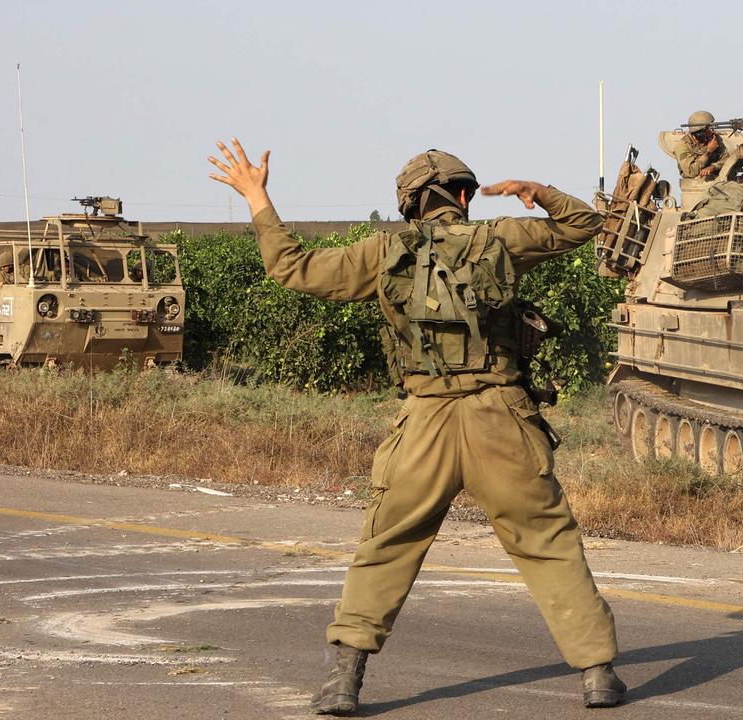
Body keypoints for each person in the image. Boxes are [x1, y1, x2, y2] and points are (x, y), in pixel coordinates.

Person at [207, 139, 625, 715]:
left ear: (408, 206)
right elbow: (585, 224)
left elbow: (292, 268)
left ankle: (344, 681)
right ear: (461, 195)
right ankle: (598, 676)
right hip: (502, 419)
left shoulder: (383, 251)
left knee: (386, 546)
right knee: (547, 543)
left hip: (423, 421)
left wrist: (257, 194)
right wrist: (537, 191)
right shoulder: (499, 238)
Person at [673, 110, 728, 180]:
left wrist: (713, 167)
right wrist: (708, 152)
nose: (712, 132)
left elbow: (726, 158)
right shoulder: (682, 146)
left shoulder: (713, 138)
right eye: (709, 129)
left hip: (717, 179)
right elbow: (690, 172)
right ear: (700, 133)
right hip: (695, 183)